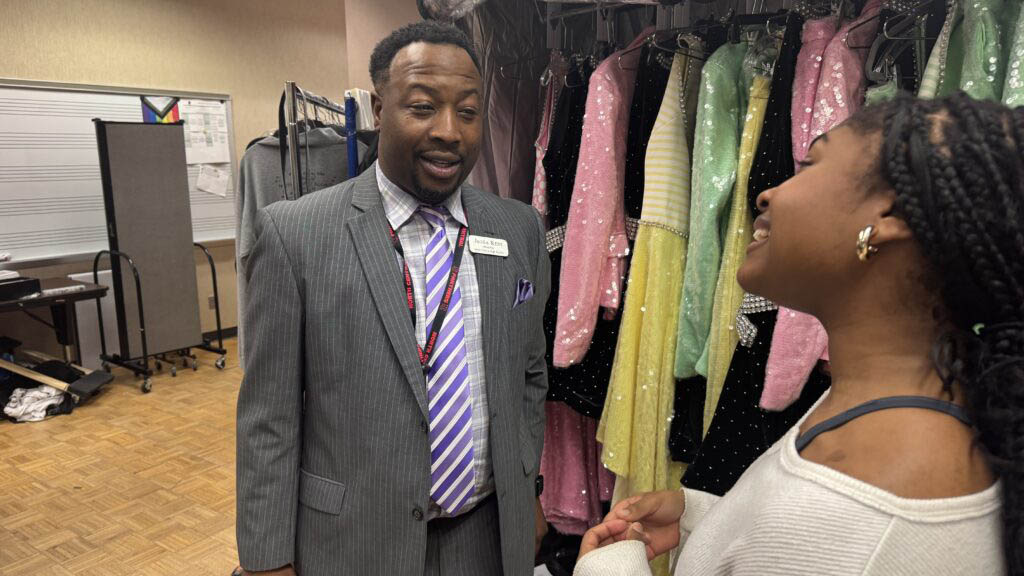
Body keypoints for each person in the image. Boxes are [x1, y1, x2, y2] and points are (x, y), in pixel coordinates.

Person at [574, 93, 1023, 575]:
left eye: (809, 164)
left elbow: (830, 536)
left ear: (888, 217)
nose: (767, 194)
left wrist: (608, 568)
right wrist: (701, 520)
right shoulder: (894, 408)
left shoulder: (854, 492)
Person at [235, 21, 550, 576]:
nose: (449, 131)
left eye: (468, 112)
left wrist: (527, 487)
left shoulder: (519, 227)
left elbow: (528, 373)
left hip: (487, 536)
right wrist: (267, 561)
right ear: (379, 110)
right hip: (353, 541)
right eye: (423, 107)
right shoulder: (295, 234)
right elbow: (269, 417)